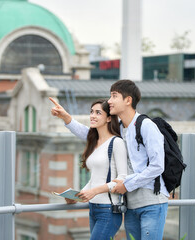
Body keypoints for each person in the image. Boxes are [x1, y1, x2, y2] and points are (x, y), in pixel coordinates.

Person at [52, 79, 169, 240]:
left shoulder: (146, 126)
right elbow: (93, 135)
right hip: (130, 204)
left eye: (114, 96)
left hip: (152, 202)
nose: (109, 101)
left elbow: (157, 166)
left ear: (128, 100)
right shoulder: (120, 128)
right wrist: (67, 118)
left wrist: (127, 184)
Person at [50, 97, 127, 240]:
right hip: (93, 208)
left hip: (108, 210)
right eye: (91, 112)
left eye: (98, 113)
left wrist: (94, 191)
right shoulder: (95, 143)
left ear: (109, 119)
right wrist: (79, 195)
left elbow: (122, 179)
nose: (92, 115)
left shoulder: (117, 143)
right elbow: (95, 179)